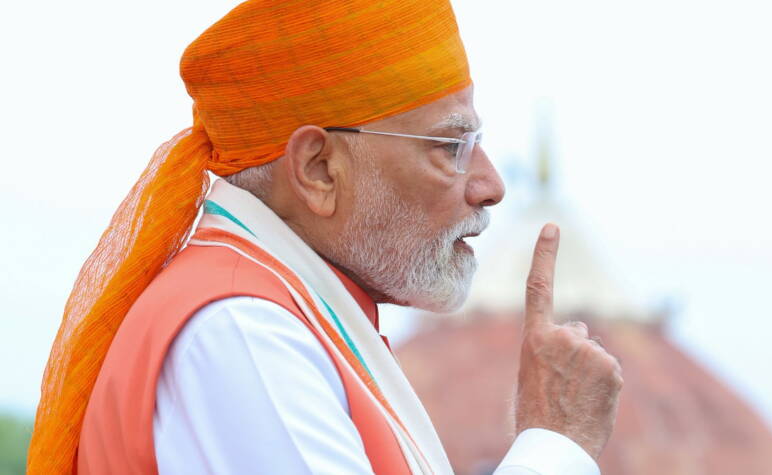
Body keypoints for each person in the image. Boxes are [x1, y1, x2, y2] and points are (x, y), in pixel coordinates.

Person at [27, 1, 623, 473]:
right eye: (450, 146)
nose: (491, 185)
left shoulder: (275, 310)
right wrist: (557, 442)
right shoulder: (243, 330)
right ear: (317, 170)